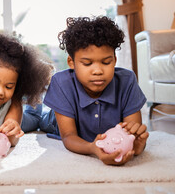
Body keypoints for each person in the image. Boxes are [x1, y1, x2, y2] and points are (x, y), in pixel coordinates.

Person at [38, 16, 149, 165]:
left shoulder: (127, 81)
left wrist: (136, 145)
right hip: (52, 121)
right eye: (87, 63)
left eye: (106, 62)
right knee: (33, 118)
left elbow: (132, 134)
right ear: (72, 62)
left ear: (115, 60)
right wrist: (92, 148)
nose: (97, 71)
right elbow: (68, 136)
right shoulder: (61, 82)